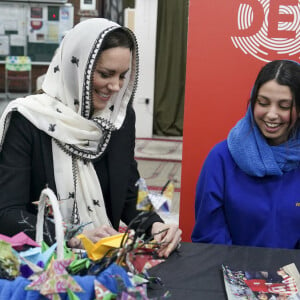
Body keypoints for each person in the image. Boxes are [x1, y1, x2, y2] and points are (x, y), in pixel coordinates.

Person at [0, 18, 181, 257]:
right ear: (77, 69)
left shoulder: (119, 119)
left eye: (123, 76)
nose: (115, 86)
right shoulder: (29, 119)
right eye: (106, 74)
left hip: (106, 260)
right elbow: (7, 212)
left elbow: (129, 191)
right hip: (42, 264)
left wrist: (155, 224)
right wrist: (72, 237)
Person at [192, 60, 300, 249]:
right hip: (231, 271)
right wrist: (242, 276)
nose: (271, 114)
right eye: (263, 103)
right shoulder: (222, 158)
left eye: (284, 106)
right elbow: (209, 234)